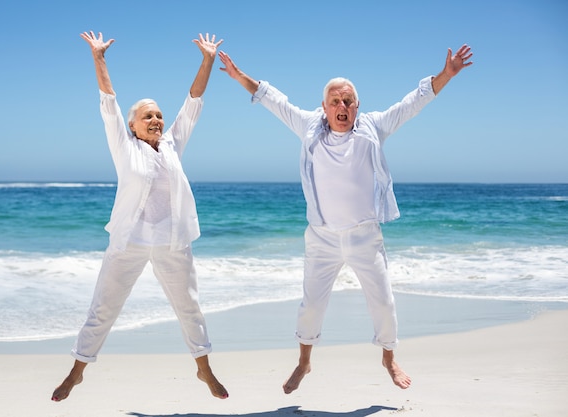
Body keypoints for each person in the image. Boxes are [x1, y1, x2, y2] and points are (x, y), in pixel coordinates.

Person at [218, 44, 473, 394]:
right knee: (311, 305)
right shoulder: (308, 126)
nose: (343, 107)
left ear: (357, 106)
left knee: (383, 301)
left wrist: (447, 74)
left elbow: (412, 103)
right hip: (322, 237)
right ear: (324, 106)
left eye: (348, 101)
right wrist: (237, 76)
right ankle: (304, 362)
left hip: (364, 235)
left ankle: (389, 359)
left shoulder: (373, 127)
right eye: (336, 101)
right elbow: (272, 99)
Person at [51, 31, 228, 402]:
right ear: (133, 125)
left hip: (171, 242)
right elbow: (109, 102)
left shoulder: (172, 145)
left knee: (189, 307)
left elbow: (193, 102)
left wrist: (207, 60)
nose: (157, 119)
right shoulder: (124, 146)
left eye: (159, 115)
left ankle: (204, 369)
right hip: (129, 242)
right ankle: (76, 372)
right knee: (103, 308)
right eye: (148, 115)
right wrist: (99, 57)